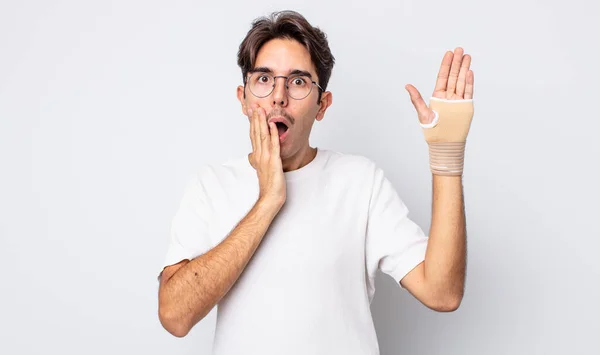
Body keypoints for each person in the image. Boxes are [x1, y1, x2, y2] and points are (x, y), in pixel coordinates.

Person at [157, 10, 475, 355]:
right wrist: (268, 200)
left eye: (297, 82)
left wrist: (447, 156)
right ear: (244, 98)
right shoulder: (211, 184)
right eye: (264, 79)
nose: (278, 96)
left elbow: (443, 293)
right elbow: (175, 316)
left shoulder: (360, 182)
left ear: (322, 105)